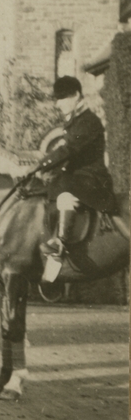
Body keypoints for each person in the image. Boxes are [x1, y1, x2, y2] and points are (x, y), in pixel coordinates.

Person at [36, 75, 118, 282]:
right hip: (80, 180)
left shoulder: (89, 121)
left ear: (76, 96)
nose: (58, 103)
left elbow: (70, 149)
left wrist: (42, 164)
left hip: (94, 181)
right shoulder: (75, 121)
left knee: (62, 184)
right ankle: (56, 241)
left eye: (62, 98)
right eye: (57, 99)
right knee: (54, 186)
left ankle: (59, 244)